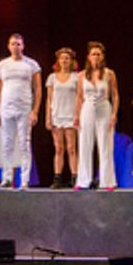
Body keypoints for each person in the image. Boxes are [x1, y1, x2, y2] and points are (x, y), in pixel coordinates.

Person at [0, 34, 42, 189]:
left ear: (23, 46)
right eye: (13, 44)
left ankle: (25, 180)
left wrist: (35, 110)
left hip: (24, 108)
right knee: (7, 143)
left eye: (18, 44)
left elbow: (38, 89)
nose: (16, 47)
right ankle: (7, 179)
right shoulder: (2, 65)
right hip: (6, 108)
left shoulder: (31, 64)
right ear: (8, 46)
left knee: (24, 143)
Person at [75, 41, 118, 190]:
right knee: (85, 145)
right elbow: (79, 97)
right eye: (93, 54)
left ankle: (107, 181)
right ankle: (83, 181)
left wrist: (114, 114)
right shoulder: (81, 75)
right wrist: (76, 116)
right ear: (88, 56)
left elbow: (115, 95)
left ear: (103, 56)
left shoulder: (109, 73)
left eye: (99, 54)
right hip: (87, 109)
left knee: (105, 145)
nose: (96, 57)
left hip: (104, 108)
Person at [44, 48, 79, 188]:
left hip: (70, 115)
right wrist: (48, 117)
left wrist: (77, 115)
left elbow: (79, 97)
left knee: (71, 148)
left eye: (67, 58)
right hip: (57, 115)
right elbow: (49, 99)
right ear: (58, 61)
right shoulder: (52, 77)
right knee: (58, 148)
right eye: (62, 58)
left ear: (71, 61)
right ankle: (57, 178)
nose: (64, 61)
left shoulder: (76, 77)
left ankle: (75, 178)